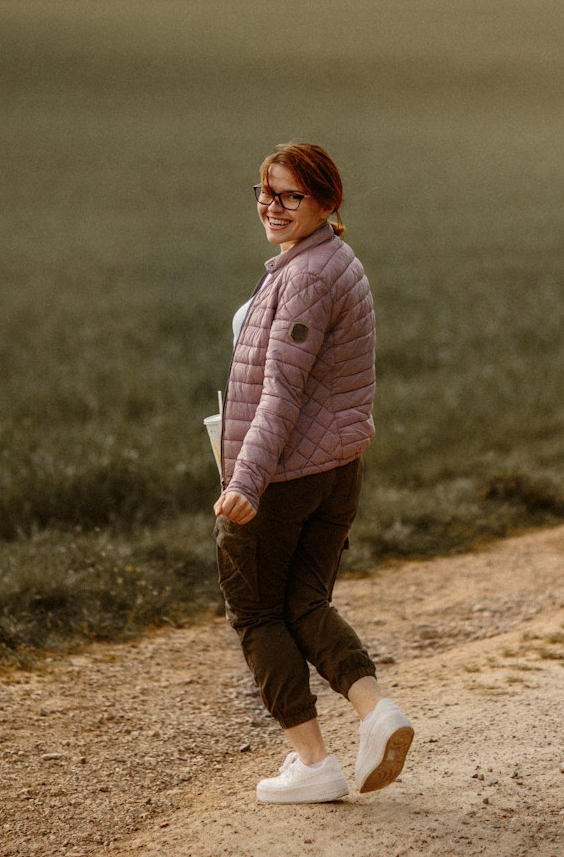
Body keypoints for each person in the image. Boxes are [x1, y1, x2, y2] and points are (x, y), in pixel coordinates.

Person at [214, 141, 413, 804]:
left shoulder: (306, 276)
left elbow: (282, 391)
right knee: (305, 602)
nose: (271, 205)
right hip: (336, 467)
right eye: (264, 191)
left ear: (327, 200)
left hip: (284, 475)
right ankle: (378, 712)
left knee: (255, 610)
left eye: (289, 195)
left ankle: (315, 762)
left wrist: (245, 480)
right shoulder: (335, 260)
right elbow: (349, 374)